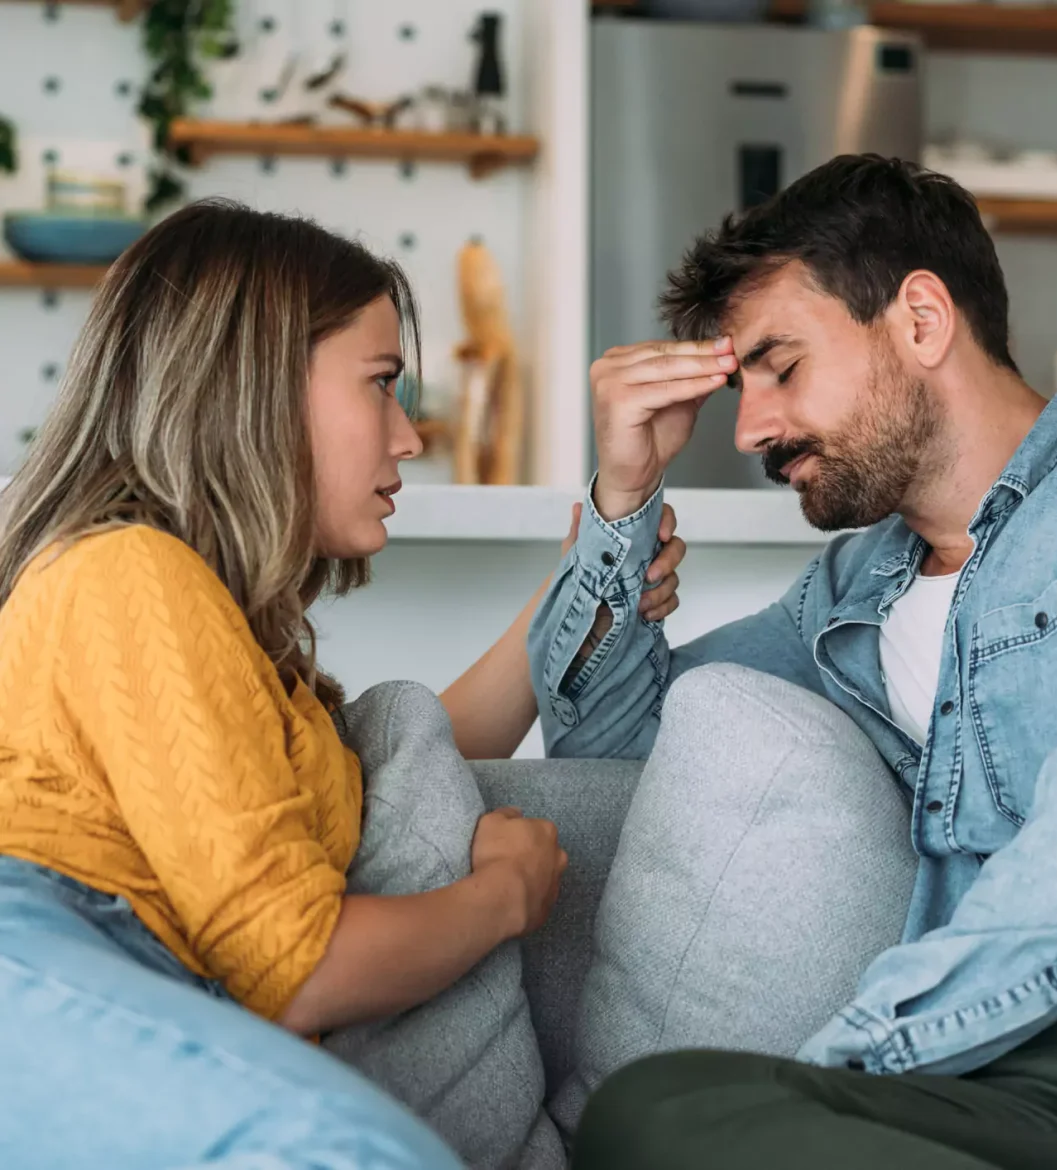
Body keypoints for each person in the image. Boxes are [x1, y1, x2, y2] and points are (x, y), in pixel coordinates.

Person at [0, 198, 686, 1170]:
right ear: (257, 389)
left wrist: (596, 571)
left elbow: (416, 751)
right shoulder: (124, 573)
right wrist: (504, 895)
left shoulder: (222, 634)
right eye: (382, 385)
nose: (410, 436)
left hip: (110, 967)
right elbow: (300, 969)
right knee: (351, 1153)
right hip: (40, 945)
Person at [527, 154, 1057, 1169]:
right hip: (998, 1092)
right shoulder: (849, 597)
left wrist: (858, 1062)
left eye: (781, 367)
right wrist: (622, 497)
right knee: (652, 1109)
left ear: (920, 320)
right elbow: (610, 749)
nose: (751, 432)